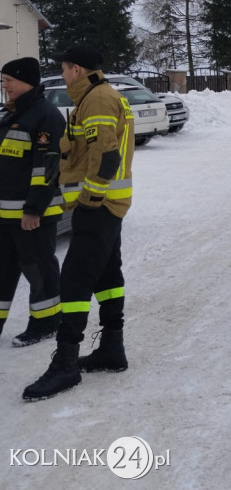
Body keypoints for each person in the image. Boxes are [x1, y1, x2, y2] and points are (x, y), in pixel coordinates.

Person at [23, 46, 134, 401]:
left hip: (98, 205)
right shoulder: (95, 95)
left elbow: (106, 155)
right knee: (106, 275)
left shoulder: (97, 99)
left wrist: (89, 200)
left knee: (74, 280)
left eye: (64, 68)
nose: (63, 73)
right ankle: (112, 349)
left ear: (75, 69)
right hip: (109, 204)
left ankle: (66, 362)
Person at [0, 57, 66, 348]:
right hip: (5, 213)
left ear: (25, 80)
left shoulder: (45, 116)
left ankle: (46, 322)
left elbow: (47, 170)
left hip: (32, 216)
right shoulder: (11, 115)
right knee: (2, 270)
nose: (4, 86)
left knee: (38, 269)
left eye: (8, 80)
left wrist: (33, 210)